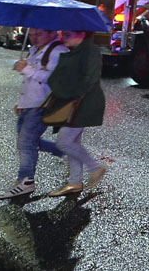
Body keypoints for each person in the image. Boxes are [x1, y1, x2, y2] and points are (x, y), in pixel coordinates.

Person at [0, 28, 68, 199]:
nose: (34, 37)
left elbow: (55, 78)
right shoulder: (35, 50)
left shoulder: (58, 51)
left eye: (39, 34)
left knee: (25, 143)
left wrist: (27, 69)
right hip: (30, 104)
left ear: (52, 33)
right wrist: (22, 102)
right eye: (32, 34)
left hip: (42, 105)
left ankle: (26, 182)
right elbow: (30, 82)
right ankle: (63, 150)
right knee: (27, 141)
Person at [44, 29, 107, 196]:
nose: (62, 37)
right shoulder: (73, 50)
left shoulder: (90, 51)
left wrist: (66, 92)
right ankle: (75, 182)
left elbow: (88, 79)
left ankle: (95, 168)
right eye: (62, 34)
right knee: (73, 143)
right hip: (75, 103)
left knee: (64, 143)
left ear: (81, 34)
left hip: (82, 104)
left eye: (68, 34)